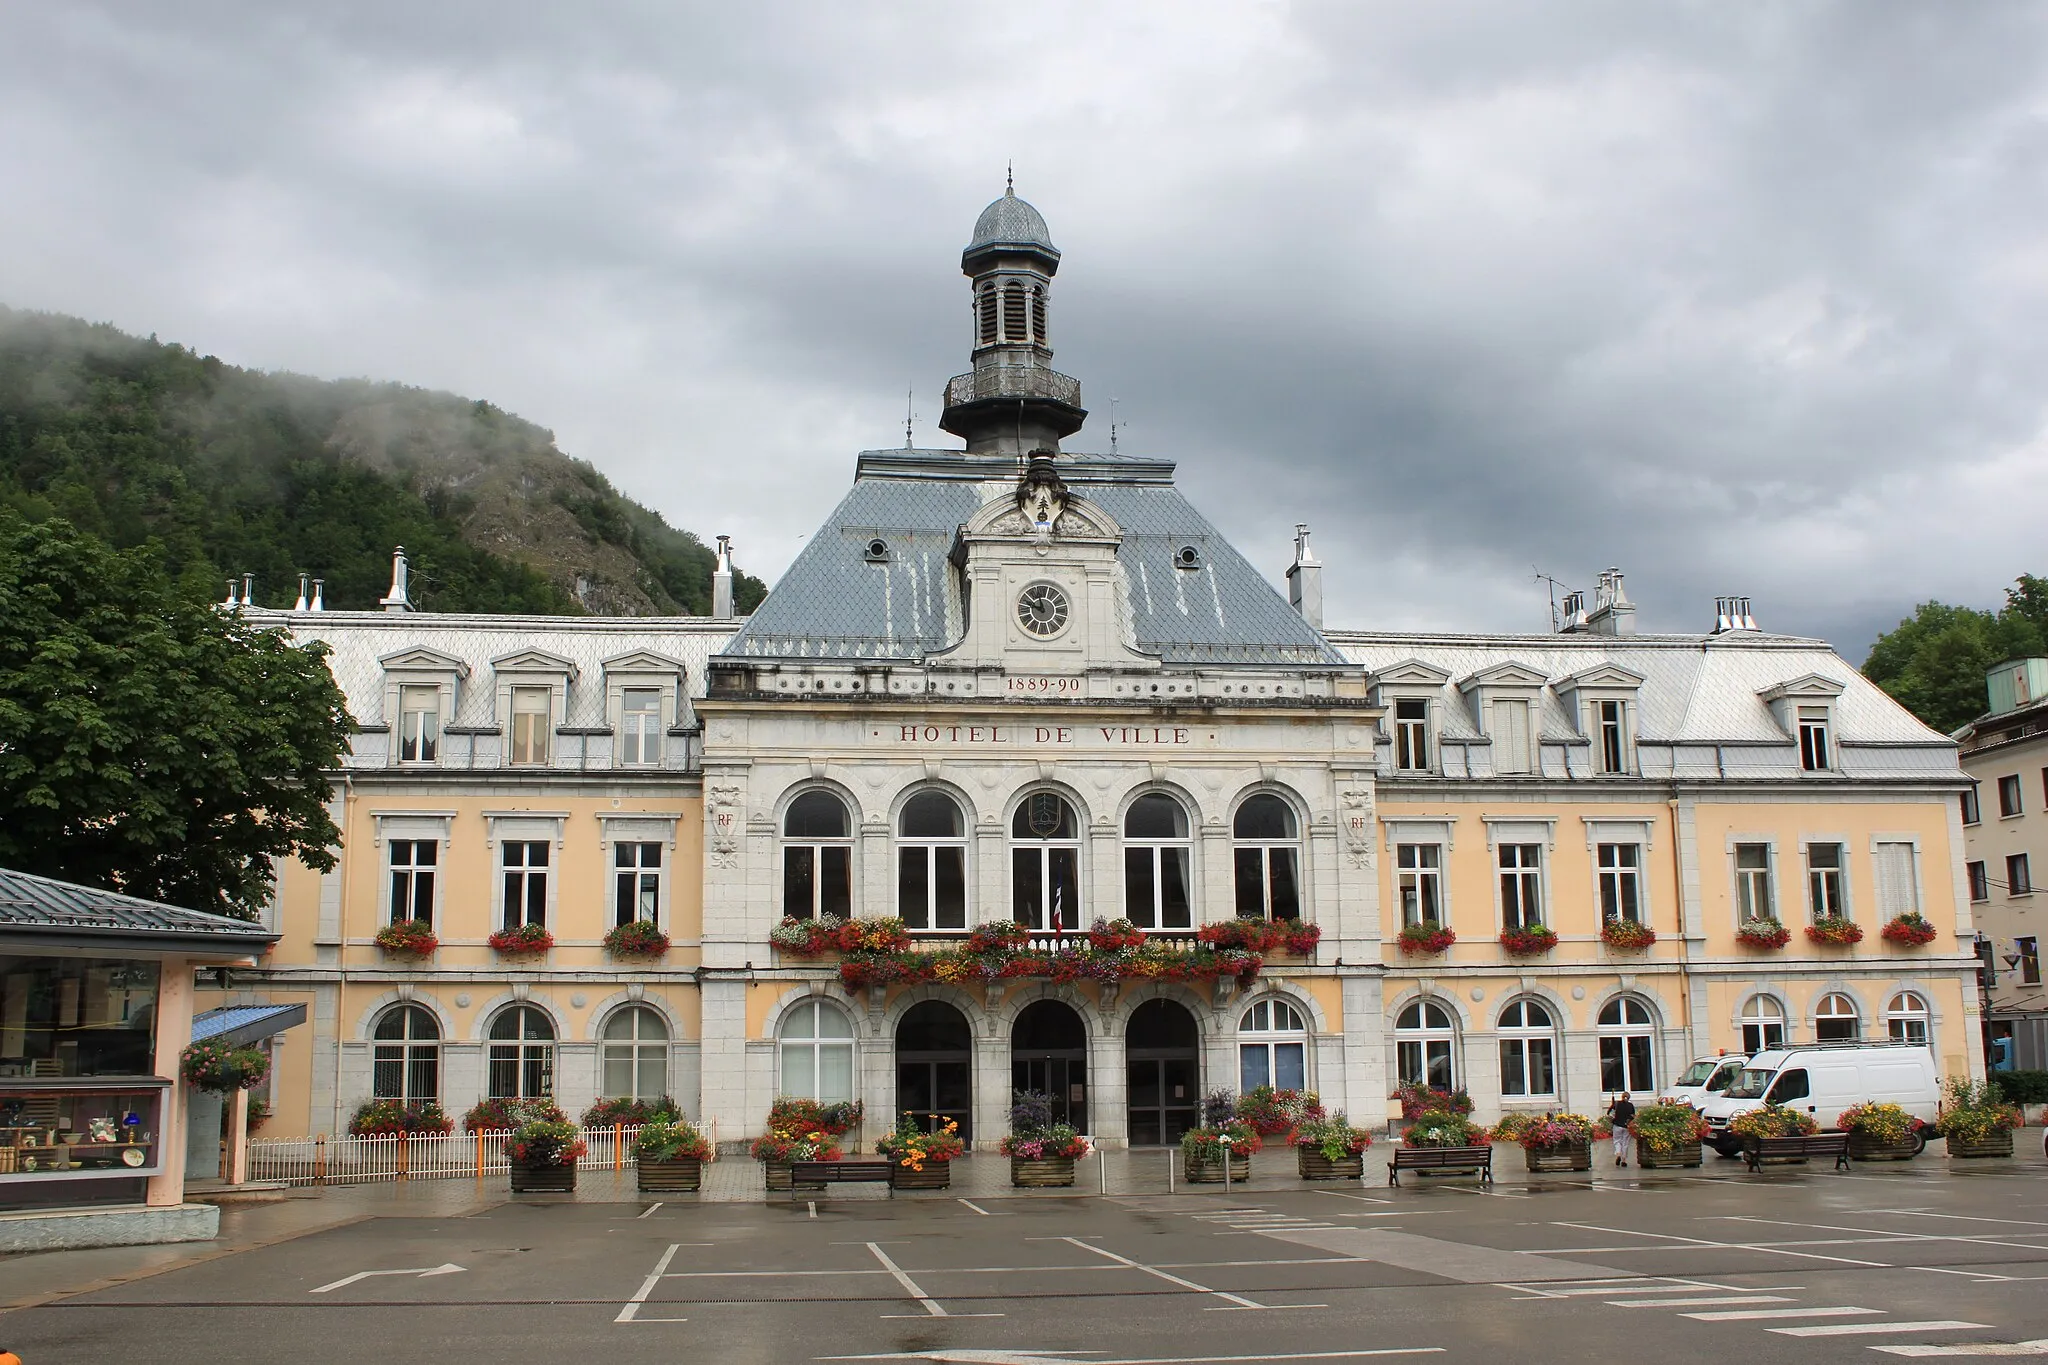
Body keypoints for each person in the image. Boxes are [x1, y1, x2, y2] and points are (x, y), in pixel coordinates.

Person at [1606, 1093, 1637, 1167]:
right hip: (1626, 1126)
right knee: (1625, 1143)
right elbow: (1633, 1116)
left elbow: (1608, 1113)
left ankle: (1618, 1154)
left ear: (1622, 1097)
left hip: (1617, 1125)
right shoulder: (1630, 1105)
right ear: (1629, 1098)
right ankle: (1624, 1160)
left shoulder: (1616, 1104)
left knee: (1617, 1141)